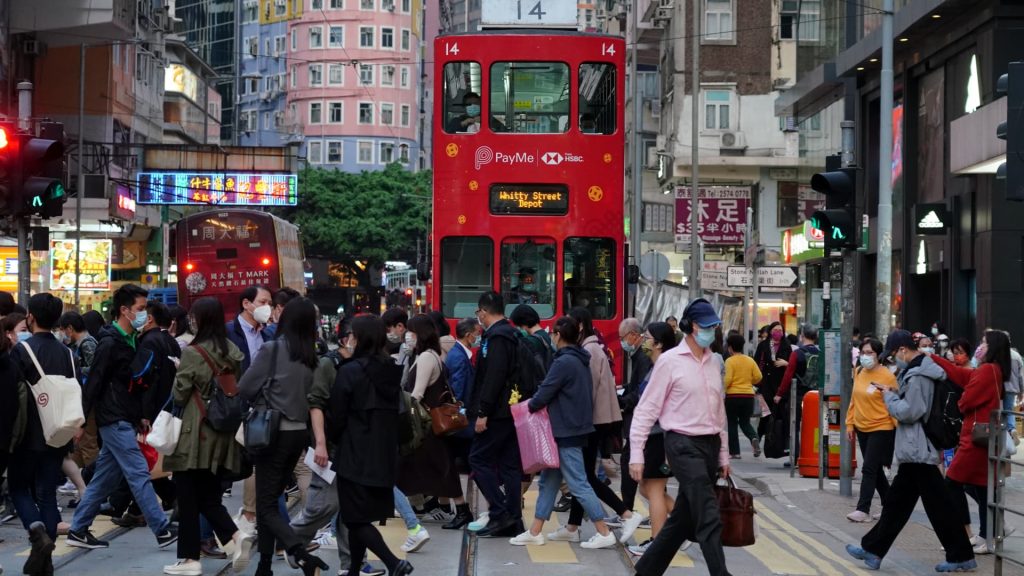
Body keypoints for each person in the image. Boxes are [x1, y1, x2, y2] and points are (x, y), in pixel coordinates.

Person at [846, 330, 976, 572]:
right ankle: (873, 550)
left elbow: (910, 412)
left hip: (918, 449)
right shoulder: (918, 372)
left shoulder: (918, 375)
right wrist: (895, 394)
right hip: (915, 449)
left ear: (903, 350)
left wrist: (888, 398)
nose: (894, 360)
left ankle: (961, 556)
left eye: (894, 355)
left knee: (939, 507)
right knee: (897, 505)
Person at [69, 284, 177, 550]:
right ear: (124, 310)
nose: (144, 315)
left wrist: (139, 415)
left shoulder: (131, 340)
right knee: (139, 472)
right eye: (140, 309)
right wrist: (81, 421)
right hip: (113, 419)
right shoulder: (109, 343)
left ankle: (78, 529)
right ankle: (162, 530)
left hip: (124, 418)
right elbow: (93, 384)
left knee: (104, 477)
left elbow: (129, 385)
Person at [629, 299, 731, 576]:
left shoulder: (713, 361)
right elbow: (645, 410)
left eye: (715, 326)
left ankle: (645, 571)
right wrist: (636, 454)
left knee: (682, 522)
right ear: (692, 327)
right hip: (682, 444)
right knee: (708, 515)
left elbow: (718, 410)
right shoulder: (669, 362)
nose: (712, 330)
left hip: (709, 445)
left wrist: (723, 454)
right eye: (707, 326)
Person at [162, 297, 256, 576]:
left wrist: (180, 371)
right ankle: (235, 537)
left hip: (195, 432)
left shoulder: (193, 352)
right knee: (209, 495)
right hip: (222, 434)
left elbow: (180, 394)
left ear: (199, 319)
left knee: (189, 495)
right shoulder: (232, 350)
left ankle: (190, 559)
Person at [508, 316, 617, 550]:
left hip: (566, 431)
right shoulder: (578, 359)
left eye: (552, 333)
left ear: (558, 335)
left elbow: (544, 393)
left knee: (578, 482)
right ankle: (535, 531)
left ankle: (604, 531)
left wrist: (525, 406)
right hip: (569, 429)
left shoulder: (564, 362)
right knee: (548, 481)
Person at [238, 298, 328, 576]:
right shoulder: (311, 355)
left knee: (265, 506)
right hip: (299, 435)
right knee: (271, 498)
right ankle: (264, 566)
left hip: (271, 435)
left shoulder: (272, 349)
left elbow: (245, 387)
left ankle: (299, 552)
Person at [330, 315, 414, 576]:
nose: (349, 340)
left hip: (354, 455)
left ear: (361, 338)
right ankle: (354, 570)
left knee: (354, 518)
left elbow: (337, 417)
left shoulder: (349, 371)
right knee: (359, 517)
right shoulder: (390, 370)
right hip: (384, 456)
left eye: (353, 335)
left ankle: (393, 562)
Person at [9, 293, 78, 575]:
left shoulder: (22, 351)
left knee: (18, 487)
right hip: (58, 431)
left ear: (31, 317)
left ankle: (37, 532)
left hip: (28, 434)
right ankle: (45, 563)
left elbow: (15, 393)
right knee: (47, 493)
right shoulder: (67, 353)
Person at [562, 307, 644, 543]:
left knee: (584, 477)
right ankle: (572, 526)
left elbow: (586, 391)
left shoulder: (588, 350)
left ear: (578, 326)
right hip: (599, 420)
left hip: (592, 421)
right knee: (583, 475)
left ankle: (626, 514)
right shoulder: (593, 347)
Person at [932, 330, 1009, 555]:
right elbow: (960, 375)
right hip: (981, 437)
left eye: (984, 343)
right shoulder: (992, 370)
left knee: (952, 482)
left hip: (975, 438)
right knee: (981, 487)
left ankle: (969, 534)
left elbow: (965, 402)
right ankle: (986, 534)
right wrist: (935, 358)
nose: (979, 347)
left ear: (992, 347)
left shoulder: (986, 370)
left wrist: (963, 400)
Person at [396, 315, 469, 526]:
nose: (408, 336)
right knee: (437, 466)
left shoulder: (427, 357)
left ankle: (461, 510)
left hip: (426, 423)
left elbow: (417, 393)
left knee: (441, 467)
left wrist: (404, 412)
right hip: (427, 422)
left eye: (412, 332)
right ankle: (446, 507)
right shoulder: (427, 355)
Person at [470, 291, 524, 538]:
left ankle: (500, 512)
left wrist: (483, 412)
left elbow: (493, 377)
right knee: (509, 465)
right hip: (510, 409)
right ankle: (513, 518)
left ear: (483, 311)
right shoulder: (512, 333)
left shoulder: (497, 337)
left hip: (497, 413)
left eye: (478, 313)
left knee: (478, 460)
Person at [627, 322, 684, 558]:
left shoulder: (663, 367)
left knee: (654, 489)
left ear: (659, 343)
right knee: (648, 487)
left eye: (648, 337)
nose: (644, 341)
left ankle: (658, 542)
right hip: (653, 435)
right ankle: (687, 527)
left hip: (659, 436)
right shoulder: (657, 365)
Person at [844, 338, 897, 523]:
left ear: (878, 355)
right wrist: (849, 424)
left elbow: (895, 403)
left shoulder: (887, 376)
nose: (865, 356)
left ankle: (863, 509)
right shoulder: (858, 371)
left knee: (868, 468)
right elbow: (853, 400)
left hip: (882, 426)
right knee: (874, 469)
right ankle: (891, 506)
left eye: (870, 353)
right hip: (861, 427)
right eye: (863, 353)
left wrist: (899, 430)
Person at [617, 317, 652, 514]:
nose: (622, 342)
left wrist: (623, 401)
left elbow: (642, 391)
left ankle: (626, 510)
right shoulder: (640, 354)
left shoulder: (644, 356)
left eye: (622, 337)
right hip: (641, 418)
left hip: (641, 419)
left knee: (629, 462)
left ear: (632, 335)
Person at [774, 324, 820, 463]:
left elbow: (788, 376)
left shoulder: (797, 353)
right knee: (815, 426)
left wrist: (779, 394)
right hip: (817, 395)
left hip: (798, 395)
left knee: (794, 426)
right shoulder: (822, 352)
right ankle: (816, 455)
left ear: (802, 336)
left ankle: (795, 457)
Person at [723, 334, 762, 459]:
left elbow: (727, 379)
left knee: (732, 423)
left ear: (730, 348)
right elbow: (758, 377)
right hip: (748, 396)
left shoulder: (729, 361)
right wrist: (749, 382)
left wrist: (722, 390)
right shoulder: (750, 360)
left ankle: (735, 452)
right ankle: (754, 438)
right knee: (745, 422)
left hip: (732, 396)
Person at [753, 321, 793, 443]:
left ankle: (777, 440)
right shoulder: (763, 345)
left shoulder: (786, 346)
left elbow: (792, 365)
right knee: (765, 415)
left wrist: (785, 364)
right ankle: (759, 438)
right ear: (770, 331)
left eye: (780, 330)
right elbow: (756, 362)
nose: (778, 333)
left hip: (781, 385)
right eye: (775, 330)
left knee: (780, 415)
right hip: (766, 385)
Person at [226, 285, 274, 376]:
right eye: (263, 302)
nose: (267, 307)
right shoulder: (228, 332)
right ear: (246, 304)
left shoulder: (268, 333)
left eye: (270, 304)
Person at [58, 311, 98, 380]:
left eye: (62, 329)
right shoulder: (76, 344)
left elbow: (95, 369)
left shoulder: (87, 344)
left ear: (70, 328)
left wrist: (75, 369)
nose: (61, 333)